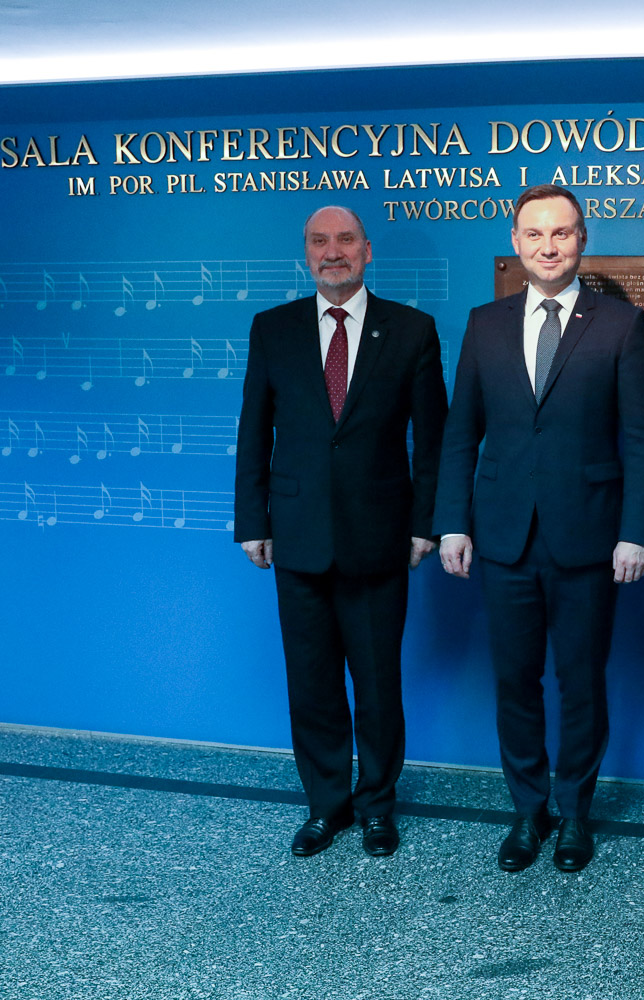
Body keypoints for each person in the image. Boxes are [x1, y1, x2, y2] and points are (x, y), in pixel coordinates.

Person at [434, 184, 644, 874]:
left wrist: (636, 532)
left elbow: (643, 438)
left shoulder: (620, 324)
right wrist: (452, 523)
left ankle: (574, 813)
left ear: (582, 238)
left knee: (581, 681)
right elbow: (460, 432)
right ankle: (528, 810)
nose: (548, 246)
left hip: (589, 537)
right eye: (534, 234)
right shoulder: (485, 323)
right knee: (515, 680)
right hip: (503, 535)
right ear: (515, 242)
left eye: (561, 233)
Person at [234, 205, 448, 859]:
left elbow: (433, 441)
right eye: (320, 241)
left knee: (378, 685)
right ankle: (326, 805)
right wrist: (252, 521)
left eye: (346, 240)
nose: (333, 251)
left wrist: (427, 524)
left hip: (380, 538)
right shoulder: (272, 328)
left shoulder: (411, 330)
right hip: (297, 537)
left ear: (367, 251)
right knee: (313, 683)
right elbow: (253, 430)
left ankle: (377, 805)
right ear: (306, 253)